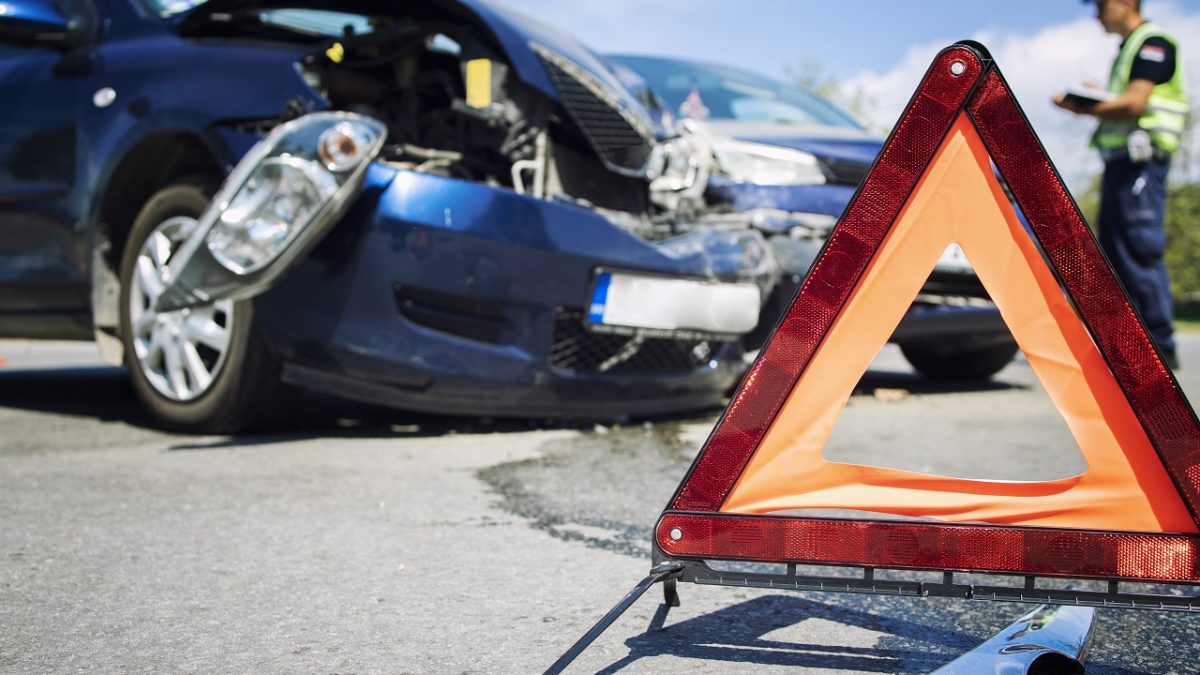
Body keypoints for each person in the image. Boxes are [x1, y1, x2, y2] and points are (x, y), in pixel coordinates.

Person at [1054, 0, 1189, 369]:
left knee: (1138, 248)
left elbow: (1134, 104)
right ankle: (1132, 346)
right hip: (1123, 165)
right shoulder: (1131, 48)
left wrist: (1082, 107)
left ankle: (1158, 348)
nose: (1096, 13)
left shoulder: (1151, 43)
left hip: (1140, 165)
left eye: (1100, 4)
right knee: (1117, 249)